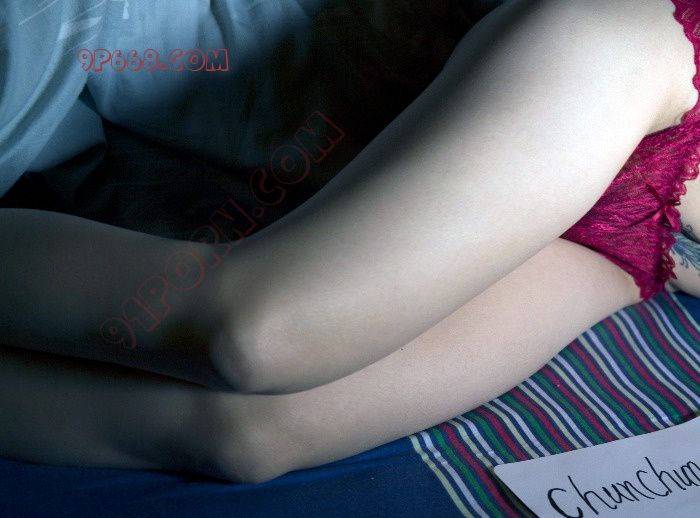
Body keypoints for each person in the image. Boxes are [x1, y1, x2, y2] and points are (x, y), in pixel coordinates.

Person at [1, 0, 700, 483]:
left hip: (645, 240)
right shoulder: (624, 41)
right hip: (658, 63)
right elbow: (263, 332)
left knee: (246, 436)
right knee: (262, 333)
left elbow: (245, 431)